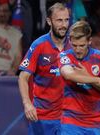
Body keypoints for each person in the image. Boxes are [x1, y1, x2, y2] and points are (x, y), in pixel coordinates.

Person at [18, 3, 70, 135]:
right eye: (59, 20)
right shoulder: (39, 45)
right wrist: (27, 103)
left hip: (69, 117)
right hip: (42, 117)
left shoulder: (74, 45)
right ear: (49, 21)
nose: (64, 25)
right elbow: (23, 77)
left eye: (66, 20)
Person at [58, 21, 100, 135]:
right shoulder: (64, 56)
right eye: (74, 45)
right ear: (69, 41)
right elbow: (68, 75)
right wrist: (97, 79)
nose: (78, 50)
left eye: (82, 45)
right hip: (70, 121)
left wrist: (88, 77)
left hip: (95, 122)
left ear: (89, 41)